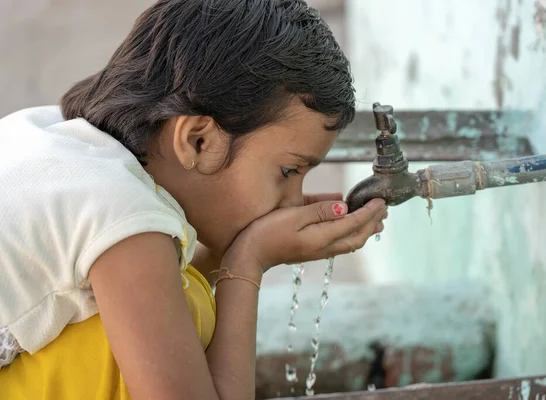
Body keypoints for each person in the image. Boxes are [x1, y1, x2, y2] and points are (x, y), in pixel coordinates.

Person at [0, 0, 387, 398]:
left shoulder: (52, 134)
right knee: (189, 308)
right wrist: (248, 261)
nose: (293, 200)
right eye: (288, 172)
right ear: (197, 140)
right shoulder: (122, 216)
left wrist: (235, 247)